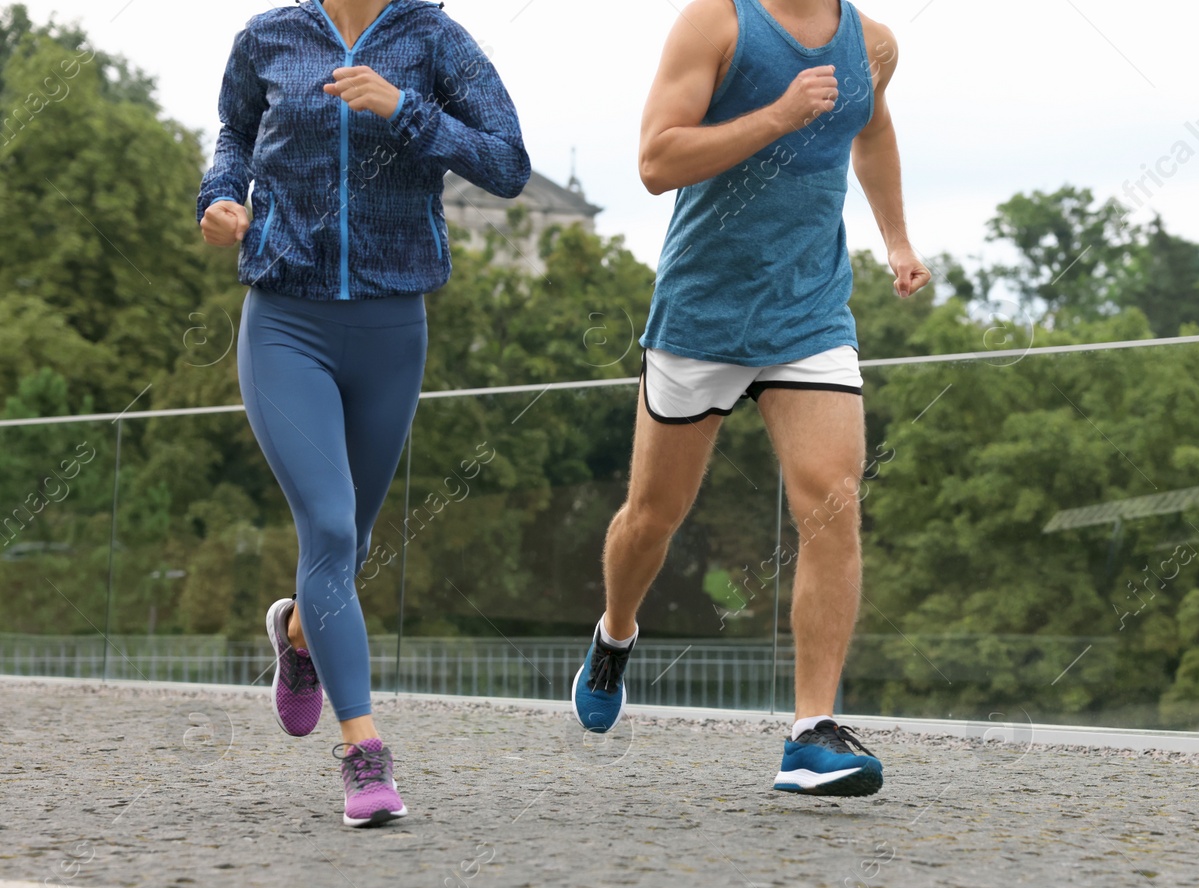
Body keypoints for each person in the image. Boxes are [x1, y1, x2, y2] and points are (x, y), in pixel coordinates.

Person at [572, 0, 930, 797]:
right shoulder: (716, 24)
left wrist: (897, 238)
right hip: (702, 313)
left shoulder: (872, 45)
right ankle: (615, 632)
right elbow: (657, 161)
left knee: (834, 500)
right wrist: (775, 113)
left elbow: (870, 131)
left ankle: (810, 734)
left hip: (810, 313)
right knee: (651, 519)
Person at [197, 0, 530, 827]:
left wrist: (404, 109)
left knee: (351, 539)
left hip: (392, 325)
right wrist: (219, 197)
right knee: (334, 528)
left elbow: (508, 164)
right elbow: (234, 136)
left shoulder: (435, 41)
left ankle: (302, 635)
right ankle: (363, 750)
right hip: (285, 321)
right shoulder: (268, 37)